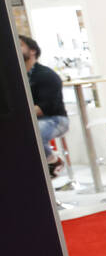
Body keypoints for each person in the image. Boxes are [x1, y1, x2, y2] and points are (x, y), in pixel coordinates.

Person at [19, 35, 69, 175]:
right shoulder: (17, 76)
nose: (15, 47)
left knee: (32, 132)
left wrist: (18, 115)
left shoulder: (46, 75)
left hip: (55, 119)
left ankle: (52, 161)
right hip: (30, 119)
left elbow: (44, 108)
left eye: (20, 44)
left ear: (32, 50)